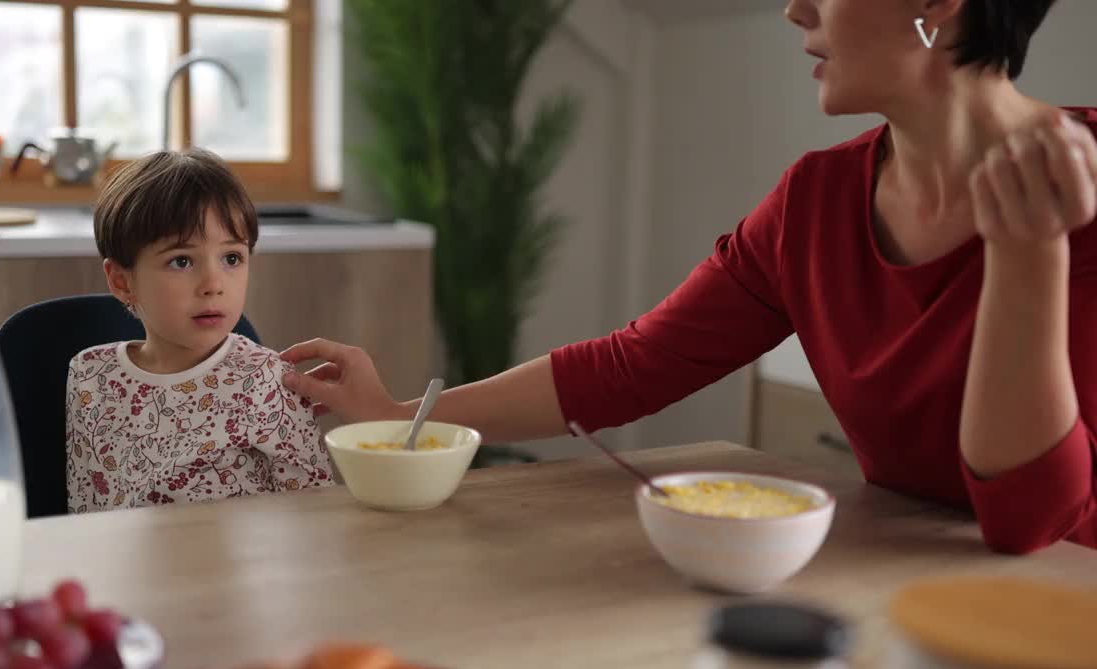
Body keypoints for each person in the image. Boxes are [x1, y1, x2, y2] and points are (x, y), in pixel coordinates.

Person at [278, 0, 1097, 554]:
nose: (794, 9)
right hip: (899, 579)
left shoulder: (1081, 190)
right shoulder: (816, 200)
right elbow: (631, 364)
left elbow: (1032, 525)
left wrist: (1030, 253)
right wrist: (400, 420)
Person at [65, 148, 333, 513]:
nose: (213, 284)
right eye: (181, 261)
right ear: (122, 281)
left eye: (232, 258)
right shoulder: (90, 376)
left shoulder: (269, 381)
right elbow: (85, 510)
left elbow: (316, 515)